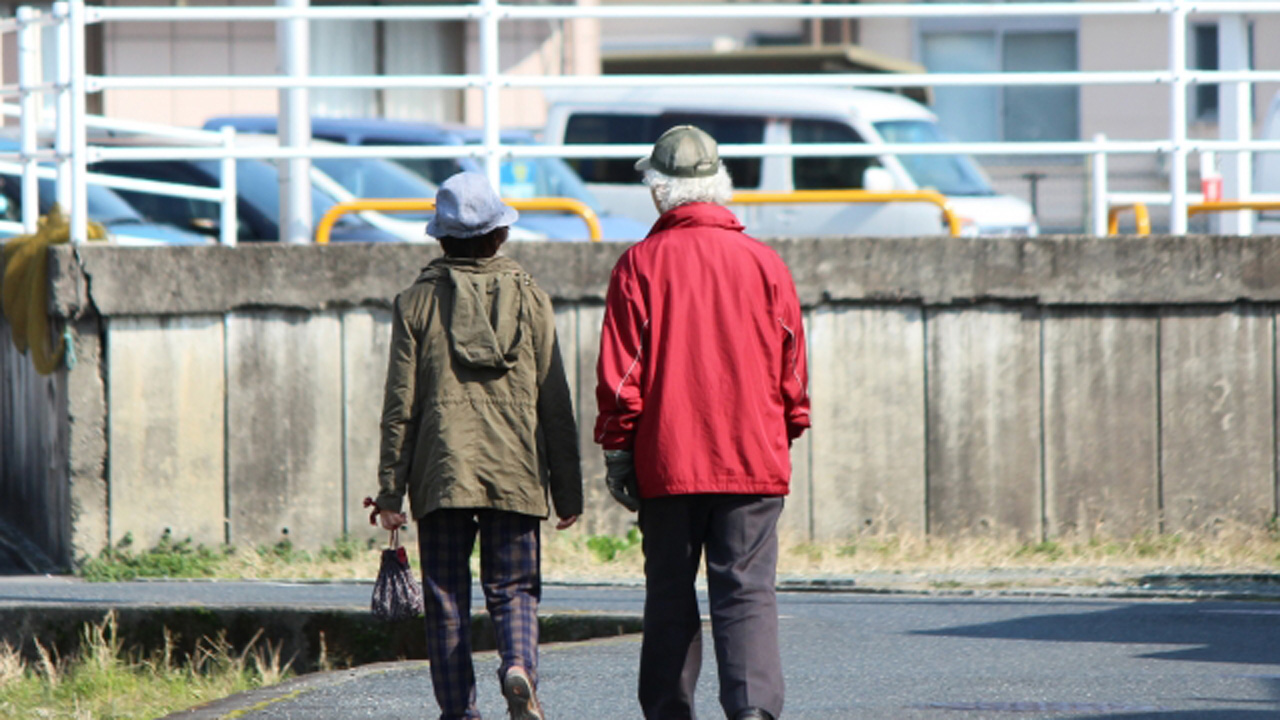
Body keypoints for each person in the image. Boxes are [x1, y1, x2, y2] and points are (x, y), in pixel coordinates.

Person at [595, 125, 811, 720]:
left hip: (668, 460)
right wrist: (780, 434)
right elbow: (792, 372)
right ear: (719, 186)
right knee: (746, 593)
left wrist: (620, 452)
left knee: (669, 593)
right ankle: (752, 712)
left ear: (660, 191)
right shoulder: (766, 265)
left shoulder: (639, 266)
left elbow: (621, 379)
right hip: (753, 460)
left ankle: (669, 711)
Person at [375, 171, 583, 720]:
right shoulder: (533, 299)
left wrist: (391, 490)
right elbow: (554, 399)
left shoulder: (416, 302)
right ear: (500, 236)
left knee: (445, 597)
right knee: (513, 587)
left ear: (441, 238)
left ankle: (459, 712)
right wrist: (568, 491)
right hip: (515, 470)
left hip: (441, 472)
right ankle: (518, 666)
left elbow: (401, 404)